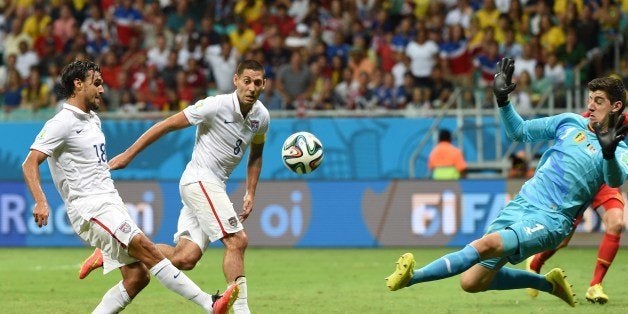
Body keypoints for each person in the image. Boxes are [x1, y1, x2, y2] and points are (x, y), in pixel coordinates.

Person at [386, 57, 628, 308]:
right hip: (523, 203)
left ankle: (412, 277)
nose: (590, 106)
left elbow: (614, 179)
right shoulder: (568, 121)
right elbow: (519, 132)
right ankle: (548, 284)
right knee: (471, 281)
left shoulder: (619, 150)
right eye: (590, 99)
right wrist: (503, 101)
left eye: (598, 101)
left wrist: (608, 153)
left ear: (615, 106)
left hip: (552, 220)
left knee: (487, 244)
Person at [21, 60, 237, 314]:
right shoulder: (62, 122)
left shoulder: (93, 119)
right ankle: (210, 304)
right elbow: (29, 162)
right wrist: (40, 200)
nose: (102, 90)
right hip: (90, 208)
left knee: (137, 278)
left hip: (111, 202)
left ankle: (104, 257)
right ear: (77, 85)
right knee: (146, 248)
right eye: (97, 84)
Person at [80, 60, 269, 314]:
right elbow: (166, 124)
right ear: (236, 80)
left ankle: (113, 251)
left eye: (257, 82)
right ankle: (242, 311)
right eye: (247, 81)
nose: (252, 87)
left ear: (264, 84)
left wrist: (250, 191)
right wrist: (128, 154)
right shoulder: (215, 105)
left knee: (185, 258)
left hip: (214, 186)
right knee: (237, 240)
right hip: (199, 180)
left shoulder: (261, 116)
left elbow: (256, 154)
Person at [525, 183, 624, 304]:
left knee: (616, 224)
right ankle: (535, 263)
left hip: (604, 182)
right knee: (562, 241)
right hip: (578, 181)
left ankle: (595, 285)